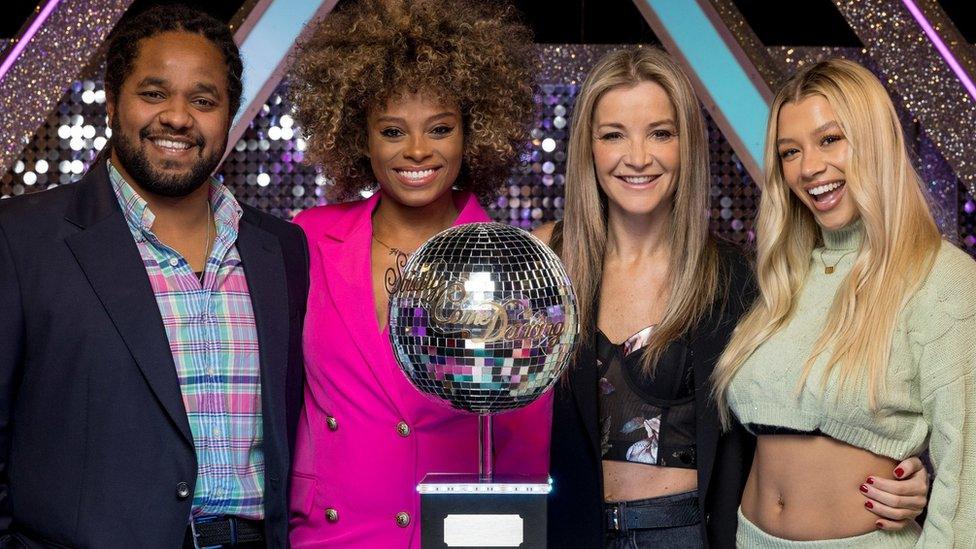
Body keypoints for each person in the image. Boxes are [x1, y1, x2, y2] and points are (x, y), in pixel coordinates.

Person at [537, 48, 929, 549]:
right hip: (570, 531)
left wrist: (900, 472)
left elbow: (799, 403)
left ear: (687, 145)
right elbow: (489, 406)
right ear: (588, 149)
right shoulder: (546, 262)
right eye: (614, 134)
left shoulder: (738, 278)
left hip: (687, 534)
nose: (638, 157)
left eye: (661, 133)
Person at [0, 5, 308, 548]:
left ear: (229, 114)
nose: (178, 117)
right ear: (113, 103)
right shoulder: (22, 240)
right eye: (154, 93)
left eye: (203, 100)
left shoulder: (281, 249)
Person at [286, 1, 550, 547]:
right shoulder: (308, 239)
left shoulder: (508, 262)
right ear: (359, 134)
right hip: (330, 532)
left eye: (440, 128)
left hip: (449, 534)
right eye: (392, 130)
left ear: (472, 132)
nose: (417, 151)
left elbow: (525, 443)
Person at [712, 58, 976, 547]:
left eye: (830, 139)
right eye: (790, 151)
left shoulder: (942, 277)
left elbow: (968, 474)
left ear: (875, 142)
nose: (810, 167)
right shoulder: (779, 280)